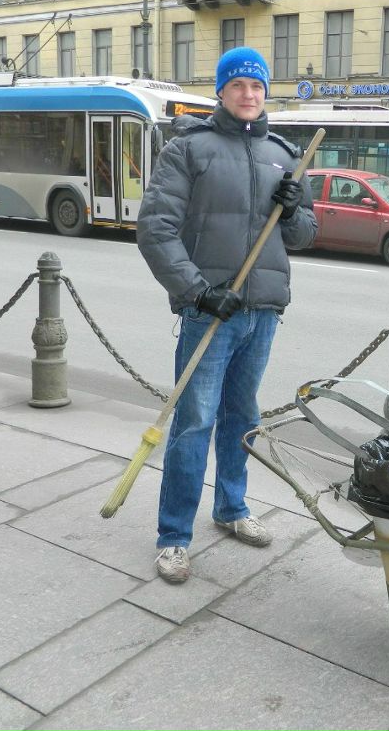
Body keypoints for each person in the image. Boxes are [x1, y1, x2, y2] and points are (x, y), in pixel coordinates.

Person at [137, 46, 318, 585]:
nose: (249, 94)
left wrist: (294, 208)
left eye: (257, 86)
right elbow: (155, 230)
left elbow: (304, 236)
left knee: (242, 420)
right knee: (193, 423)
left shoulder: (285, 156)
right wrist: (196, 291)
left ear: (266, 92)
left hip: (262, 311)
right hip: (210, 314)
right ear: (221, 91)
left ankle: (233, 508)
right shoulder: (188, 150)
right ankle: (173, 536)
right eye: (238, 85)